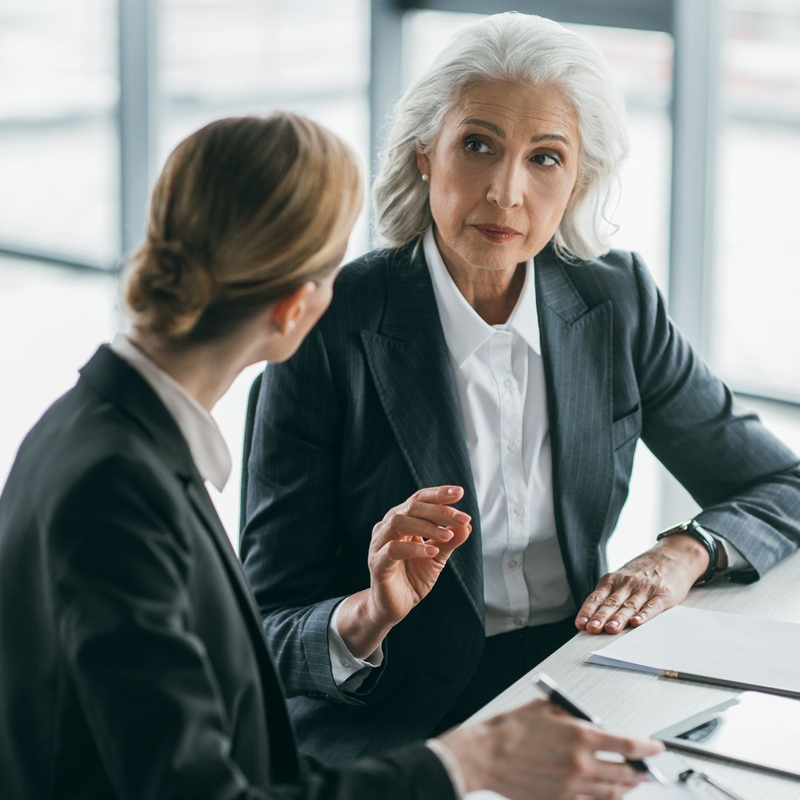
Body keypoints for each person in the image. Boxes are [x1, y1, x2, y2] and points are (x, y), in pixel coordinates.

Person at [0, 113, 662, 800]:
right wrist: (465, 763)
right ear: (294, 311)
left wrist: (370, 613)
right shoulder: (117, 491)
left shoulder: (94, 432)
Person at [240, 12, 800, 765]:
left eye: (545, 158)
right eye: (478, 145)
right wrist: (367, 614)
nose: (507, 192)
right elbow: (265, 628)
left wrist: (683, 552)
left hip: (580, 677)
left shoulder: (617, 301)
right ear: (424, 156)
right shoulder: (331, 325)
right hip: (393, 719)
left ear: (577, 182)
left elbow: (782, 483)